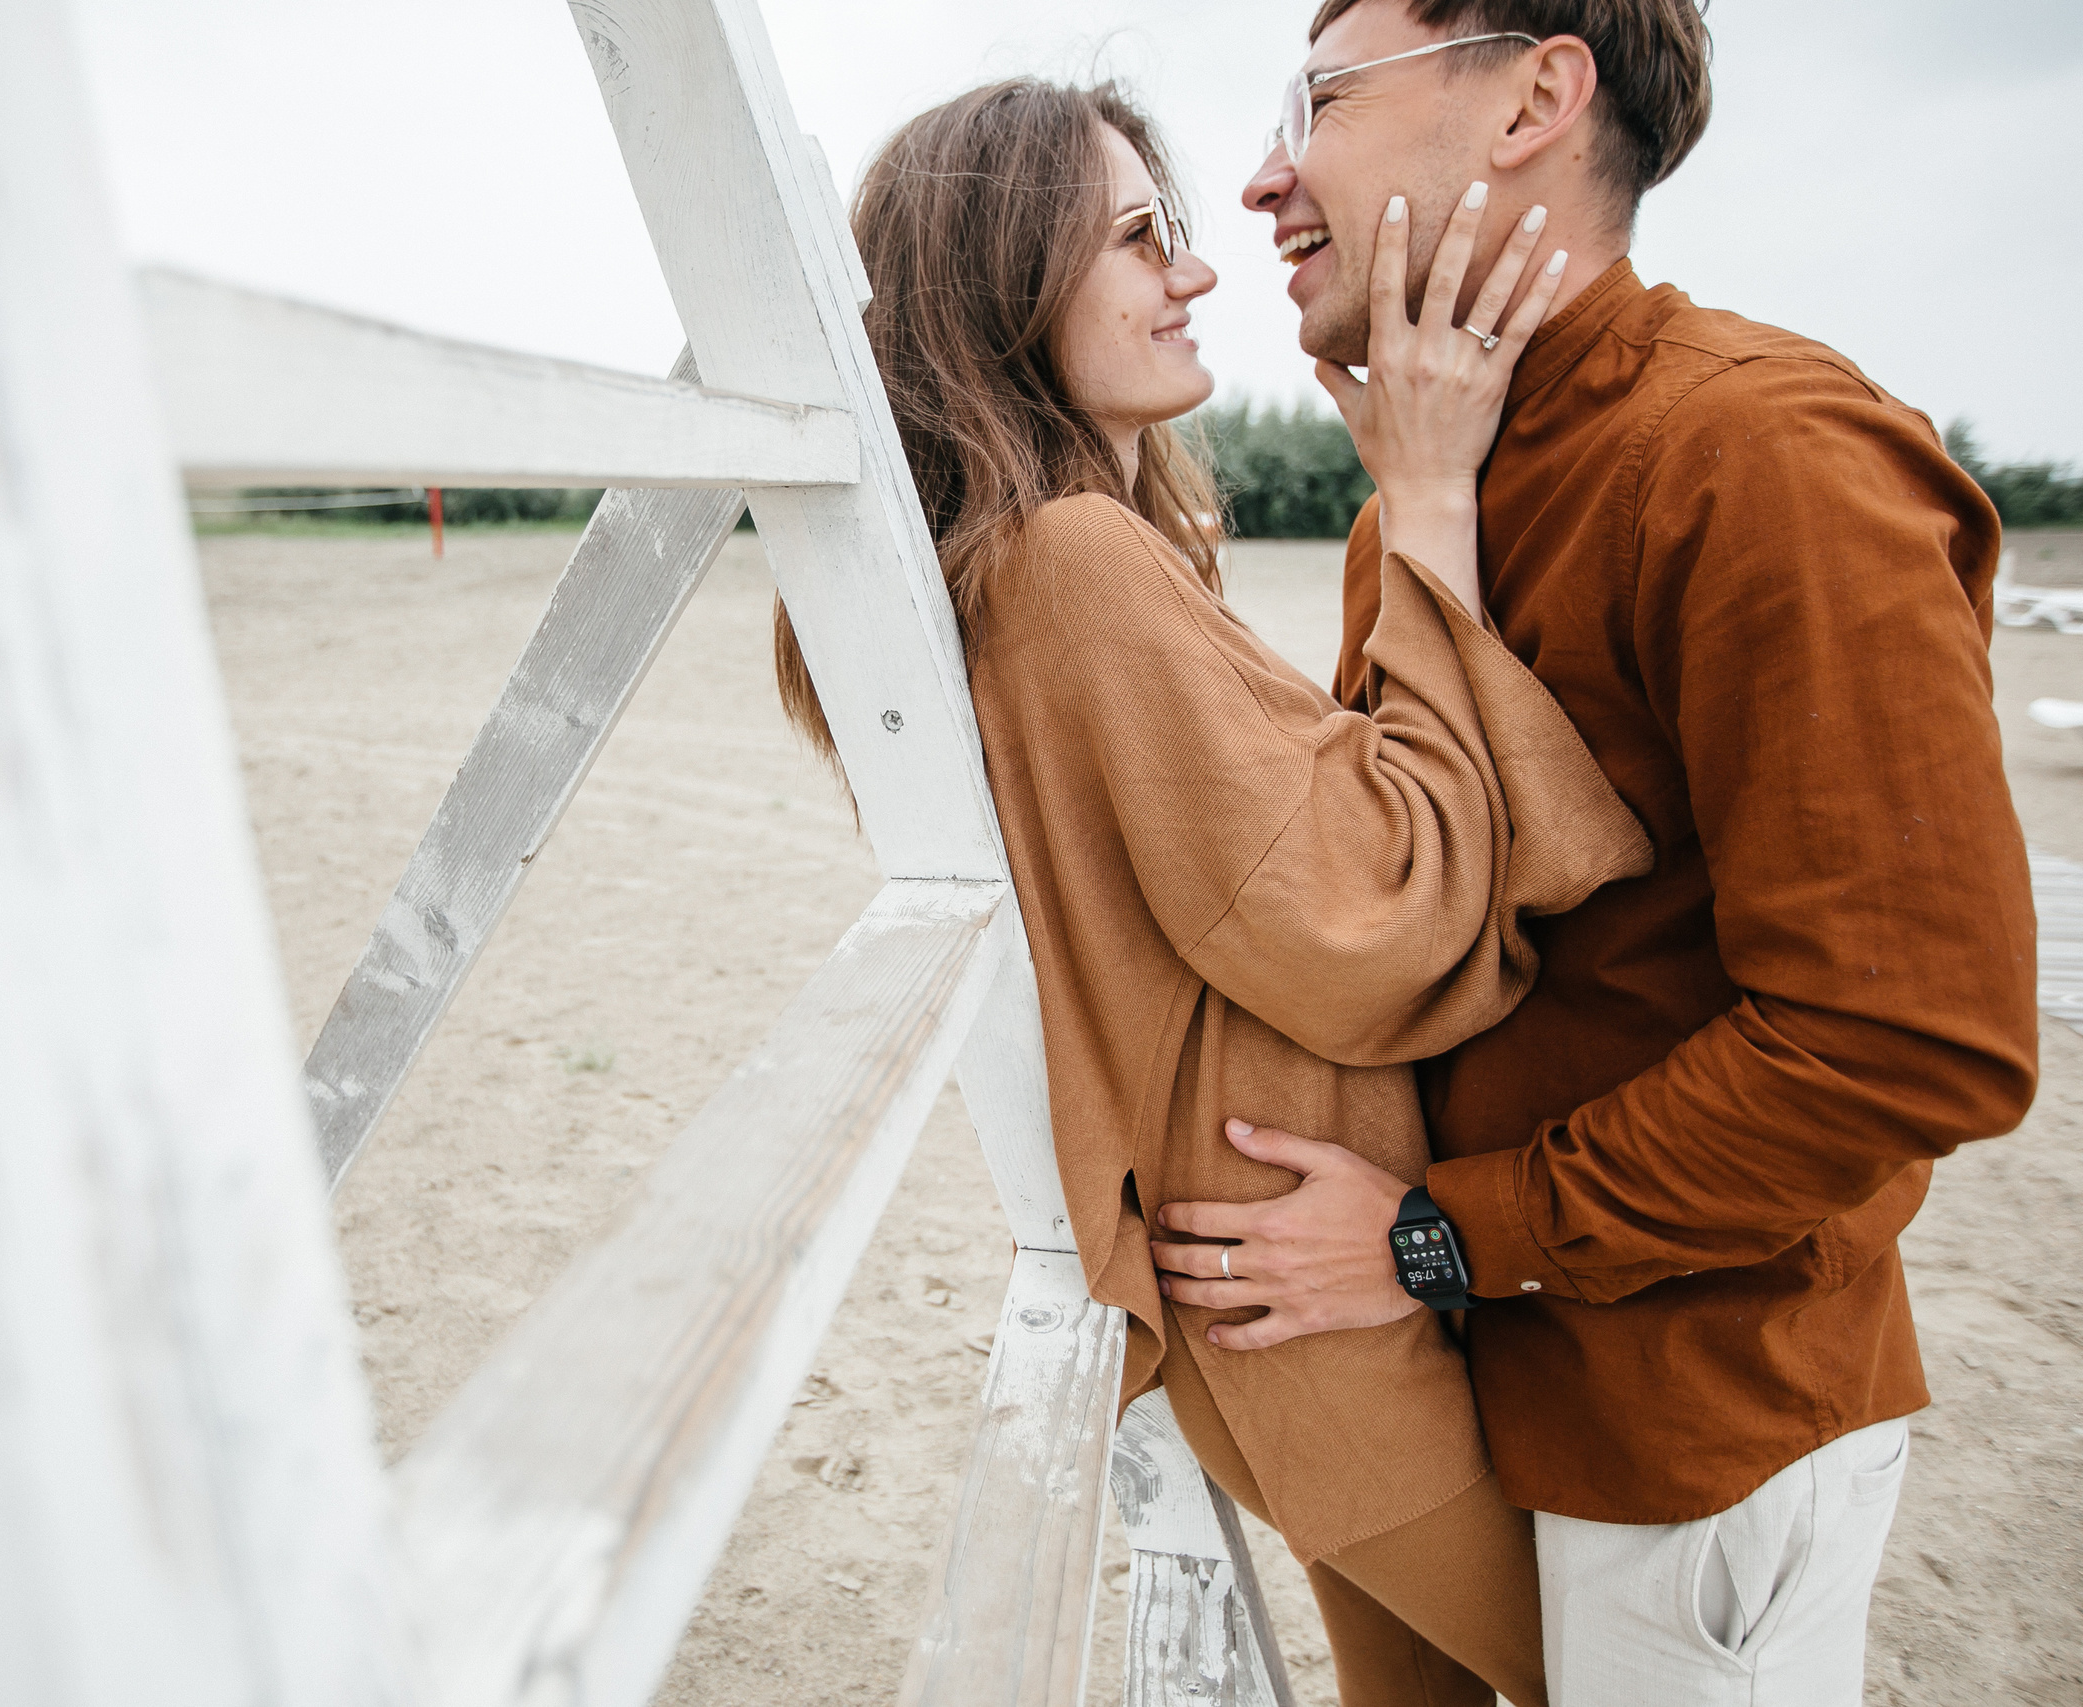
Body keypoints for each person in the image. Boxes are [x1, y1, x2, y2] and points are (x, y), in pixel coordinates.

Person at [1166, 3, 2038, 1702]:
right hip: (1468, 1388)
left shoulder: (1763, 456)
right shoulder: (1411, 501)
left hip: (1683, 1437)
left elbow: (1908, 1033)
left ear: (1537, 96)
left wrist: (1439, 1236)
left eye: (1323, 99)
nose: (1266, 174)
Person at [774, 78, 1653, 1706]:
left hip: (1263, 1265)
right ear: (1002, 278)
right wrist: (1436, 497)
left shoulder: (1032, 559)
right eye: (1132, 240)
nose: (1191, 276)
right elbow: (1375, 913)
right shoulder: (1073, 565)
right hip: (1303, 1271)